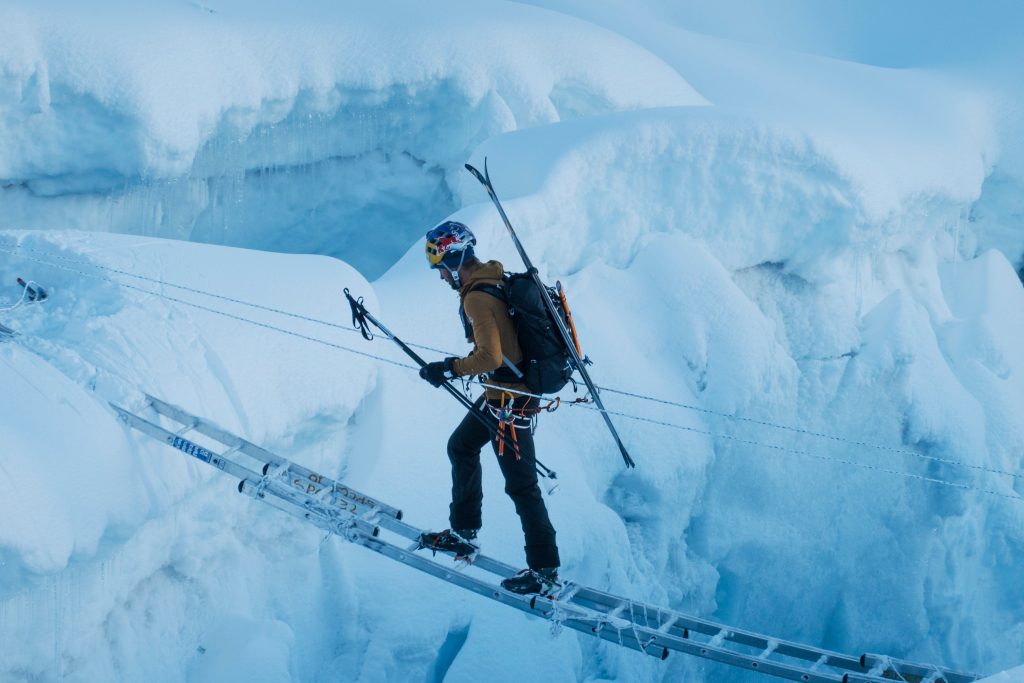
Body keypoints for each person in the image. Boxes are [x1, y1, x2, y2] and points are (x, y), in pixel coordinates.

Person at [417, 220, 561, 596]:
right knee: (461, 445)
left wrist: (449, 368)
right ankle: (463, 532)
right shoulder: (493, 278)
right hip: (504, 392)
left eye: (441, 268)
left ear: (453, 259)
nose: (441, 276)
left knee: (522, 485)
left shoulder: (475, 297)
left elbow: (489, 356)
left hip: (509, 403)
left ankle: (544, 569)